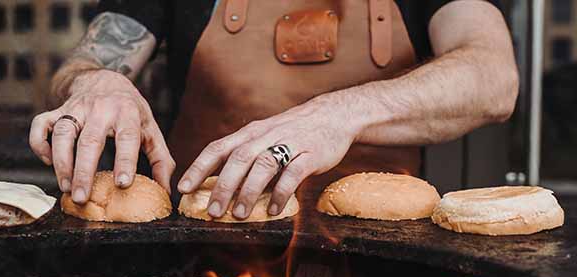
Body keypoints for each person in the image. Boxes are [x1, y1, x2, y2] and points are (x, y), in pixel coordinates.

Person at [29, 0, 518, 220]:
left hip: (386, 261)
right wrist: (97, 81)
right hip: (200, 256)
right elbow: (87, 60)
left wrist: (337, 113)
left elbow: (493, 77)